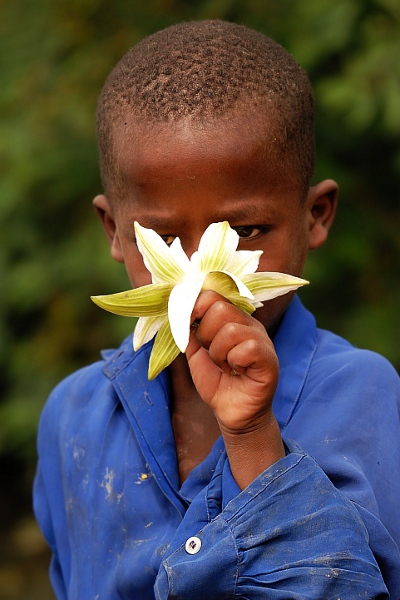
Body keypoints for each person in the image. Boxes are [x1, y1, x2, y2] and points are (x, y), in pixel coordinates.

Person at [33, 20, 400, 599]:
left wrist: (253, 435)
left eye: (247, 230)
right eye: (163, 240)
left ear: (316, 216)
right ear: (116, 232)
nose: (204, 276)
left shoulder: (367, 398)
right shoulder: (71, 419)